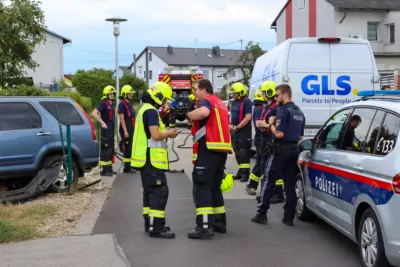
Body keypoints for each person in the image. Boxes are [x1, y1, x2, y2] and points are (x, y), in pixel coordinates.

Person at [252, 84, 305, 226]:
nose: (275, 98)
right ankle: (289, 217)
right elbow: (300, 137)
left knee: (269, 179)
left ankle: (261, 213)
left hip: (280, 149)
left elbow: (279, 134)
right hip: (294, 150)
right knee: (289, 184)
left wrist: (269, 124)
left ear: (285, 95)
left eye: (277, 95)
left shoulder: (283, 111)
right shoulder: (299, 112)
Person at [131, 81, 179, 239]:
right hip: (151, 160)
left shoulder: (143, 109)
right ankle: (157, 227)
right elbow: (156, 135)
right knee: (159, 192)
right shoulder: (151, 111)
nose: (165, 103)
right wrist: (169, 134)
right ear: (158, 97)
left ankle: (150, 223)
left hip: (145, 160)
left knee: (149, 192)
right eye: (165, 99)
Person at [187, 79, 232, 239]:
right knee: (214, 187)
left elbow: (203, 113)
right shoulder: (220, 102)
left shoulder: (207, 102)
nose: (194, 93)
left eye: (196, 89)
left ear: (204, 89)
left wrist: (189, 115)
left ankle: (204, 227)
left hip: (209, 149)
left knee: (202, 187)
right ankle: (219, 223)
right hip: (221, 151)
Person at [228, 82, 253, 183]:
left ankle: (245, 174)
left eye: (235, 93)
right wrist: (230, 125)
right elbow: (232, 114)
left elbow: (248, 117)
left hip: (243, 131)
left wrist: (238, 127)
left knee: (243, 152)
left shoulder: (247, 102)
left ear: (241, 92)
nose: (234, 95)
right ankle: (241, 170)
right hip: (234, 130)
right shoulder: (234, 102)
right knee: (237, 151)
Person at [92, 85, 117, 176]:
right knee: (106, 149)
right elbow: (94, 113)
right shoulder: (103, 103)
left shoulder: (112, 104)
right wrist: (102, 123)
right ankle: (104, 170)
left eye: (112, 94)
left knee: (110, 148)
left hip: (111, 130)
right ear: (106, 95)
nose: (111, 95)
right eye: (109, 94)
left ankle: (109, 168)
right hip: (106, 130)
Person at [245, 88, 267, 195]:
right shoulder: (259, 109)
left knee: (263, 163)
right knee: (260, 162)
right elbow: (259, 124)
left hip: (262, 138)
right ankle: (251, 185)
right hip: (261, 138)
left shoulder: (261, 108)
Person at [118, 85, 136, 173]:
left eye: (131, 93)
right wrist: (125, 131)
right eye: (129, 93)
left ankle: (129, 166)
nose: (131, 95)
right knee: (127, 148)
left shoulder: (129, 103)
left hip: (130, 128)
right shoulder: (122, 104)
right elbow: (121, 118)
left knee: (130, 147)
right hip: (126, 129)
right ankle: (127, 168)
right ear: (125, 94)